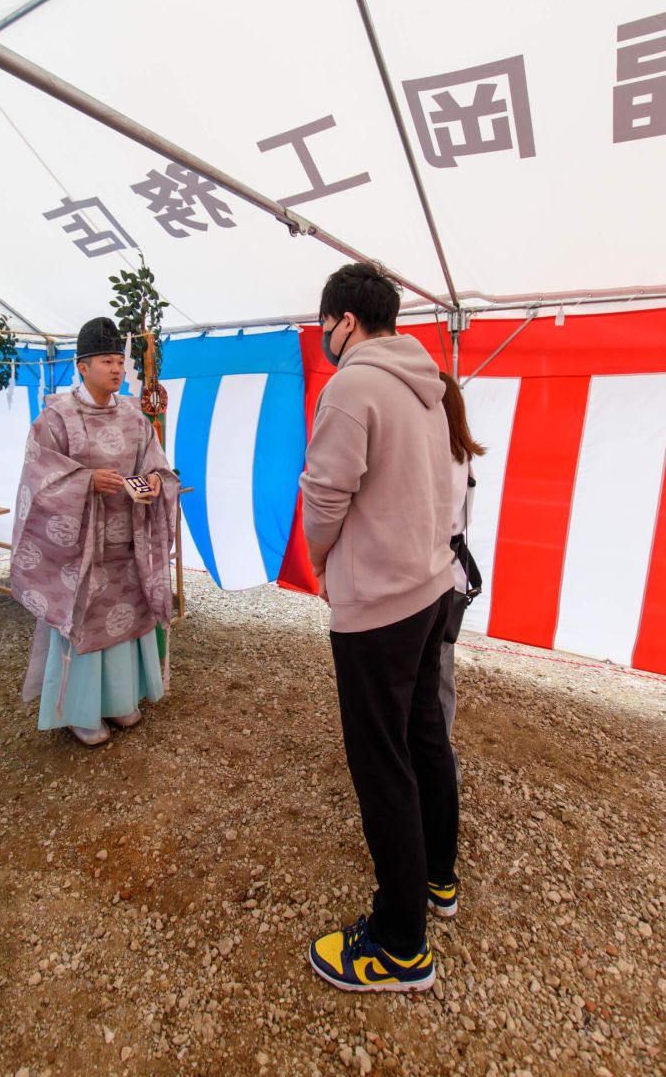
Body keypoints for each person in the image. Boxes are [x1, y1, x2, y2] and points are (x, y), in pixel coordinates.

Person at [301, 262, 458, 994]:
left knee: (381, 760)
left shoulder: (353, 386)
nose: (323, 336)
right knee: (424, 732)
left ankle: (401, 945)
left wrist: (321, 560)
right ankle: (437, 878)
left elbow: (325, 497)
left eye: (324, 324)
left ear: (346, 322)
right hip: (429, 587)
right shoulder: (429, 380)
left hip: (381, 605)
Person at [11, 317, 178, 746]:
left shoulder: (133, 416)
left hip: (128, 541)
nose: (118, 370)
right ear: (82, 366)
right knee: (85, 621)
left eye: (120, 361)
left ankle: (121, 699)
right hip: (80, 547)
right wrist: (86, 481)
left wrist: (157, 481)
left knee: (127, 618)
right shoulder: (56, 417)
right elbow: (38, 478)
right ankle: (80, 712)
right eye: (107, 361)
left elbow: (154, 461)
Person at [438, 371, 485, 783]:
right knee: (441, 673)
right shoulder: (462, 455)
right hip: (450, 574)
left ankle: (438, 766)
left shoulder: (441, 456)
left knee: (434, 676)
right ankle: (440, 761)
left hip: (435, 576)